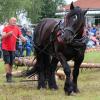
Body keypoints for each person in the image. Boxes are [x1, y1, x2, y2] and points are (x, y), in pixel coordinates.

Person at [1, 17, 27, 82]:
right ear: (9, 21)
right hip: (5, 47)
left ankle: (10, 76)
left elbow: (21, 36)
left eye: (15, 21)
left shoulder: (17, 28)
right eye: (13, 20)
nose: (14, 22)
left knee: (12, 63)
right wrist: (8, 34)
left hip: (13, 48)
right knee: (7, 61)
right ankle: (8, 76)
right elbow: (2, 37)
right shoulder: (6, 28)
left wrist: (24, 39)